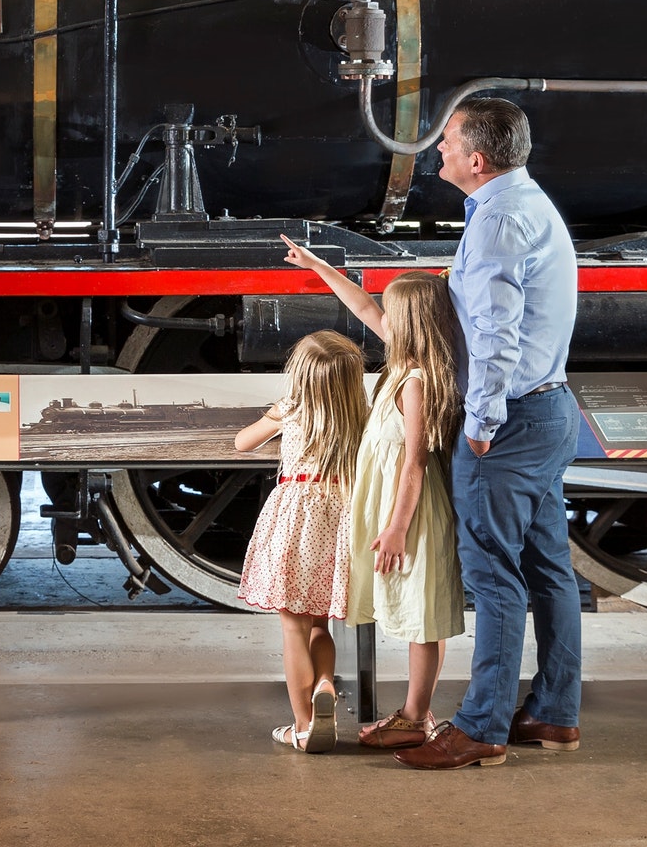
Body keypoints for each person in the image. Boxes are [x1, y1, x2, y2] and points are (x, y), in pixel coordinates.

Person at [395, 95, 583, 772]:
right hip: (547, 409)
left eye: (446, 141)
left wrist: (480, 426)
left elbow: (496, 336)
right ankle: (556, 714)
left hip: (510, 425)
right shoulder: (522, 202)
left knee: (495, 578)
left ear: (476, 159)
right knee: (548, 571)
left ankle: (481, 727)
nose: (437, 150)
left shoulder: (499, 221)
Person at [276, 249, 466, 748]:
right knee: (406, 607)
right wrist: (319, 268)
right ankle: (410, 715)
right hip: (389, 509)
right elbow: (361, 308)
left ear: (408, 322)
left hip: (409, 513)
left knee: (421, 614)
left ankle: (415, 717)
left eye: (390, 309)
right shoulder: (404, 358)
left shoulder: (418, 380)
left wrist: (398, 527)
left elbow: (416, 461)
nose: (379, 313)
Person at [233, 330, 368, 753]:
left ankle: (303, 726)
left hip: (296, 522)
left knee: (292, 625)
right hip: (340, 520)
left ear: (301, 375)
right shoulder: (359, 416)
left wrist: (274, 417)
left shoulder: (288, 410)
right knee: (319, 623)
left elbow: (241, 443)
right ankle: (325, 682)